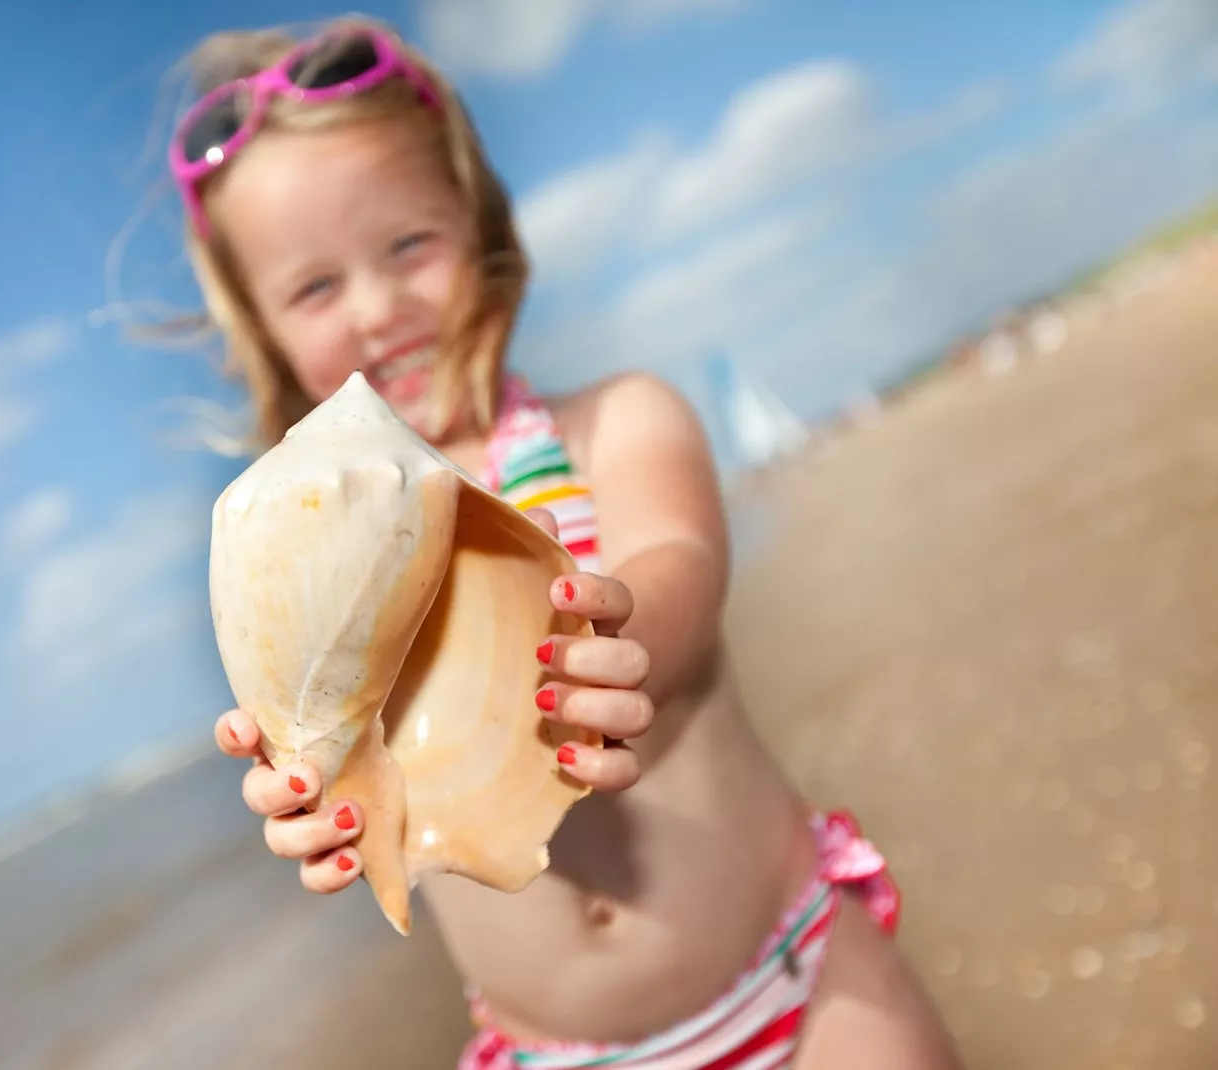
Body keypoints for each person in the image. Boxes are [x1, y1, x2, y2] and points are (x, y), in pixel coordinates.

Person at [162, 14, 962, 1069]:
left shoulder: (614, 424)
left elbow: (678, 560)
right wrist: (317, 805)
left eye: (409, 245)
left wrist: (623, 639)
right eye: (315, 286)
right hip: (559, 1050)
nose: (377, 304)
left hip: (796, 975)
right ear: (262, 329)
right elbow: (344, 757)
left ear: (478, 225)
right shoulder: (318, 564)